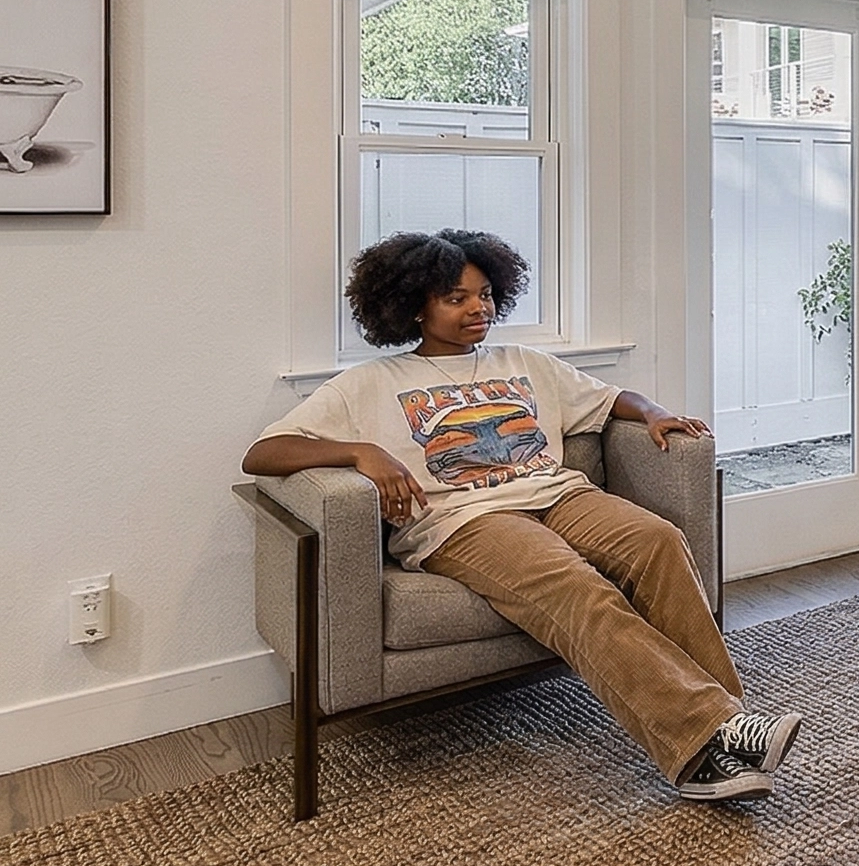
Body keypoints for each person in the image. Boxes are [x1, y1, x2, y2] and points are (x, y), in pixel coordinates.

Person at [242, 229, 804, 803]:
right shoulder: (369, 384)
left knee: (658, 539)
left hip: (557, 494)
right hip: (464, 519)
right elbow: (263, 453)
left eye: (484, 295)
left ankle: (730, 724)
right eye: (455, 297)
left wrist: (656, 413)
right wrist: (361, 451)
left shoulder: (525, 362)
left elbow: (610, 401)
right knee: (573, 584)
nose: (476, 308)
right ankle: (702, 741)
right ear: (413, 305)